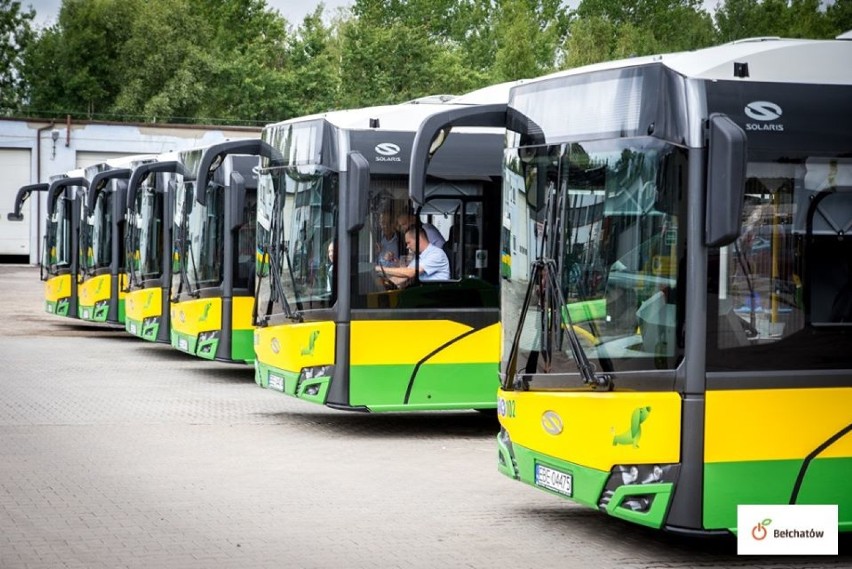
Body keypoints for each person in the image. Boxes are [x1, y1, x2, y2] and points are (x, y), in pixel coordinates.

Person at [376, 227, 450, 287]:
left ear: (418, 239)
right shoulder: (419, 257)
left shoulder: (436, 254)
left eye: (408, 243)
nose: (407, 247)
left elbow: (410, 272)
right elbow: (402, 277)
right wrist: (381, 283)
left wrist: (380, 268)